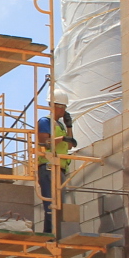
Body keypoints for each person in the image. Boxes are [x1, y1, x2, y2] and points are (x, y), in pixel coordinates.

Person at [36, 89, 75, 234]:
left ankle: (55, 232)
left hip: (60, 167)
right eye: (61, 107)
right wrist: (62, 139)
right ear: (53, 105)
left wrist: (69, 127)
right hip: (49, 166)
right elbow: (44, 142)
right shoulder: (45, 121)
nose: (63, 111)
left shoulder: (61, 126)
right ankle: (50, 233)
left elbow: (70, 145)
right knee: (51, 202)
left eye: (65, 108)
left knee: (59, 203)